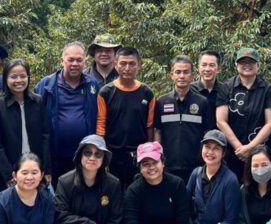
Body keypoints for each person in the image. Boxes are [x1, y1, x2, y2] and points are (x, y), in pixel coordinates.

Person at [0, 59, 50, 201]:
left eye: (23, 76)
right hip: (6, 172)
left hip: (34, 169)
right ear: (6, 79)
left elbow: (45, 136)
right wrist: (9, 175)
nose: (19, 80)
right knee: (5, 208)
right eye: (13, 76)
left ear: (28, 77)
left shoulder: (37, 101)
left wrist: (46, 169)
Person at [36, 41, 100, 179]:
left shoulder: (92, 85)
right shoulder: (46, 85)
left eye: (79, 60)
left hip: (85, 157)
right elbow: (35, 119)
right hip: (54, 156)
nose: (75, 64)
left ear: (85, 63)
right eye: (70, 60)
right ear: (62, 61)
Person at [96, 47, 156, 186]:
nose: (127, 68)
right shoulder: (106, 92)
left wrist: (149, 155)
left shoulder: (147, 93)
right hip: (113, 155)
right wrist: (102, 156)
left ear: (139, 66)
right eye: (123, 64)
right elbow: (101, 126)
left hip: (139, 155)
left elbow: (150, 126)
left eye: (132, 64)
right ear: (115, 65)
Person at [217, 48, 271, 178]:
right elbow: (221, 121)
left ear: (258, 65)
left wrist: (250, 147)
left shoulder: (268, 90)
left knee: (260, 185)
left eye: (251, 62)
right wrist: (240, 148)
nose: (247, 65)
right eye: (243, 62)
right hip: (232, 152)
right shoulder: (226, 88)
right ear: (236, 65)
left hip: (260, 154)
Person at [154, 55, 208, 184]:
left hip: (195, 165)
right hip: (168, 164)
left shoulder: (202, 102)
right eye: (178, 72)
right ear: (172, 75)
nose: (182, 76)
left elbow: (207, 132)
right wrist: (158, 157)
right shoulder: (162, 102)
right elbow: (158, 132)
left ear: (192, 76)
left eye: (186, 72)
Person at [192, 49, 226, 131]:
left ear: (219, 69)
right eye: (204, 65)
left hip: (219, 137)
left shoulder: (225, 91)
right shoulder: (189, 90)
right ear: (198, 68)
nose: (207, 69)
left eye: (212, 65)